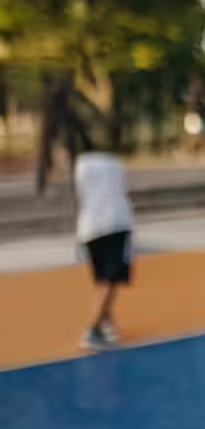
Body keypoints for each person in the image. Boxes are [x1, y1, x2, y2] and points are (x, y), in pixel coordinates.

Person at [75, 148, 134, 350]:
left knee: (102, 278)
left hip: (89, 226)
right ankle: (94, 328)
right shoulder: (115, 164)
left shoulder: (81, 164)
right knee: (112, 279)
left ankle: (108, 324)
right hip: (115, 223)